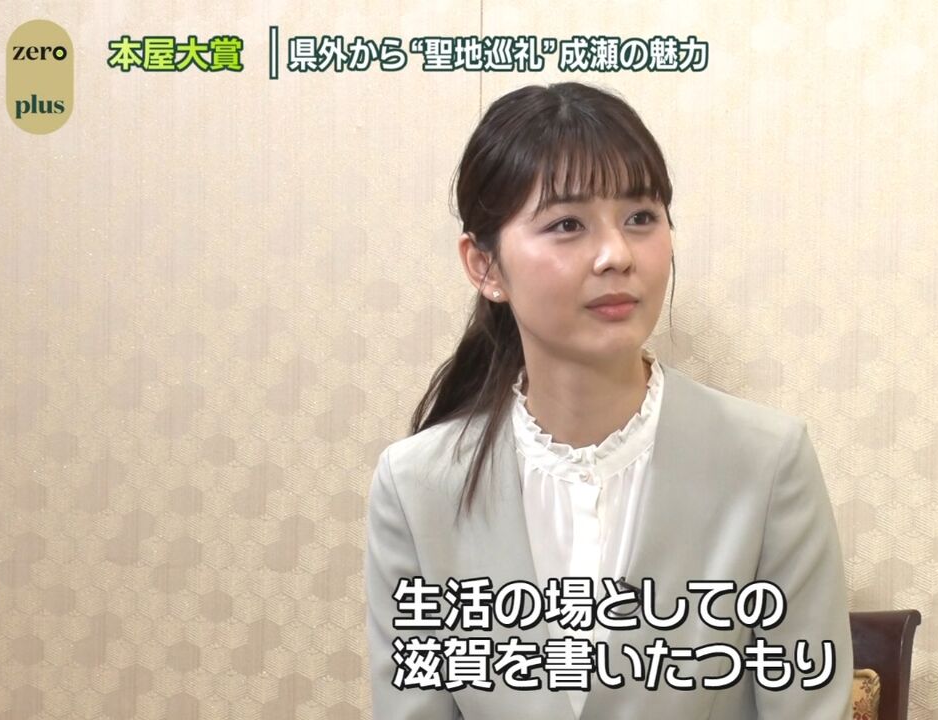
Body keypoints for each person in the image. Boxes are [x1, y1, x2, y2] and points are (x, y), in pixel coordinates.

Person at [364, 82, 854, 719]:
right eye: (567, 224)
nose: (617, 255)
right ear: (485, 267)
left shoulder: (767, 463)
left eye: (641, 218)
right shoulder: (416, 487)